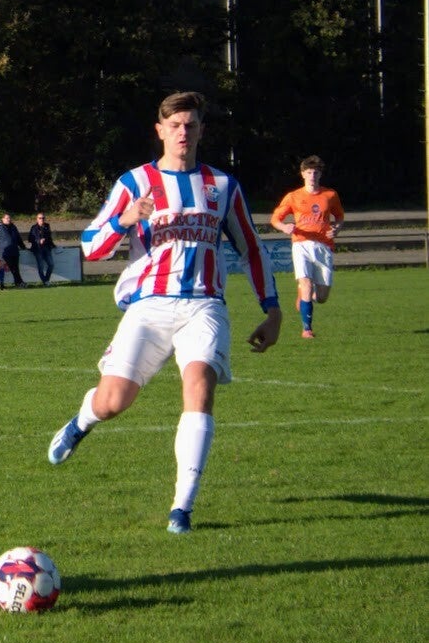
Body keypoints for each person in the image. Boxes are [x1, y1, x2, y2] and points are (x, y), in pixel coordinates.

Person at [46, 91, 281, 535]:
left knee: (199, 387)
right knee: (113, 401)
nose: (183, 133)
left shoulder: (223, 186)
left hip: (205, 304)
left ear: (201, 130)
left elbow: (251, 248)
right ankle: (81, 422)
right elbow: (91, 247)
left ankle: (181, 508)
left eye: (191, 125)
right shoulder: (135, 182)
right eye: (175, 126)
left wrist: (272, 310)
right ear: (160, 131)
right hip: (148, 306)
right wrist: (125, 219)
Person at [269, 155, 345, 339]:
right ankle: (307, 329)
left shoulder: (330, 195)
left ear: (320, 175)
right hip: (300, 244)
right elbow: (275, 219)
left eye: (316, 173)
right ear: (302, 174)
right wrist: (284, 227)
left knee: (322, 297)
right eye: (309, 172)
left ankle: (307, 296)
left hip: (323, 246)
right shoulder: (293, 196)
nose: (312, 176)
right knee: (306, 284)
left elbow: (339, 217)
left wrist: (336, 229)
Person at [0, 213, 26, 287]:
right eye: (7, 218)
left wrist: (23, 246)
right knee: (13, 268)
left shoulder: (13, 227)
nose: (8, 219)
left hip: (14, 251)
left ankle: (18, 283)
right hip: (5, 252)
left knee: (16, 268)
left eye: (9, 218)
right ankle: (20, 282)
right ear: (2, 219)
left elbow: (18, 237)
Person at [27, 213, 55, 286]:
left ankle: (46, 280)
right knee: (41, 266)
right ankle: (45, 282)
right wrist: (39, 241)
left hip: (47, 248)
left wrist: (53, 245)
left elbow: (49, 237)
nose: (41, 219)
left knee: (51, 265)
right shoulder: (34, 227)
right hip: (38, 249)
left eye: (43, 218)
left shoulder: (47, 226)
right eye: (40, 218)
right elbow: (30, 239)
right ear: (37, 219)